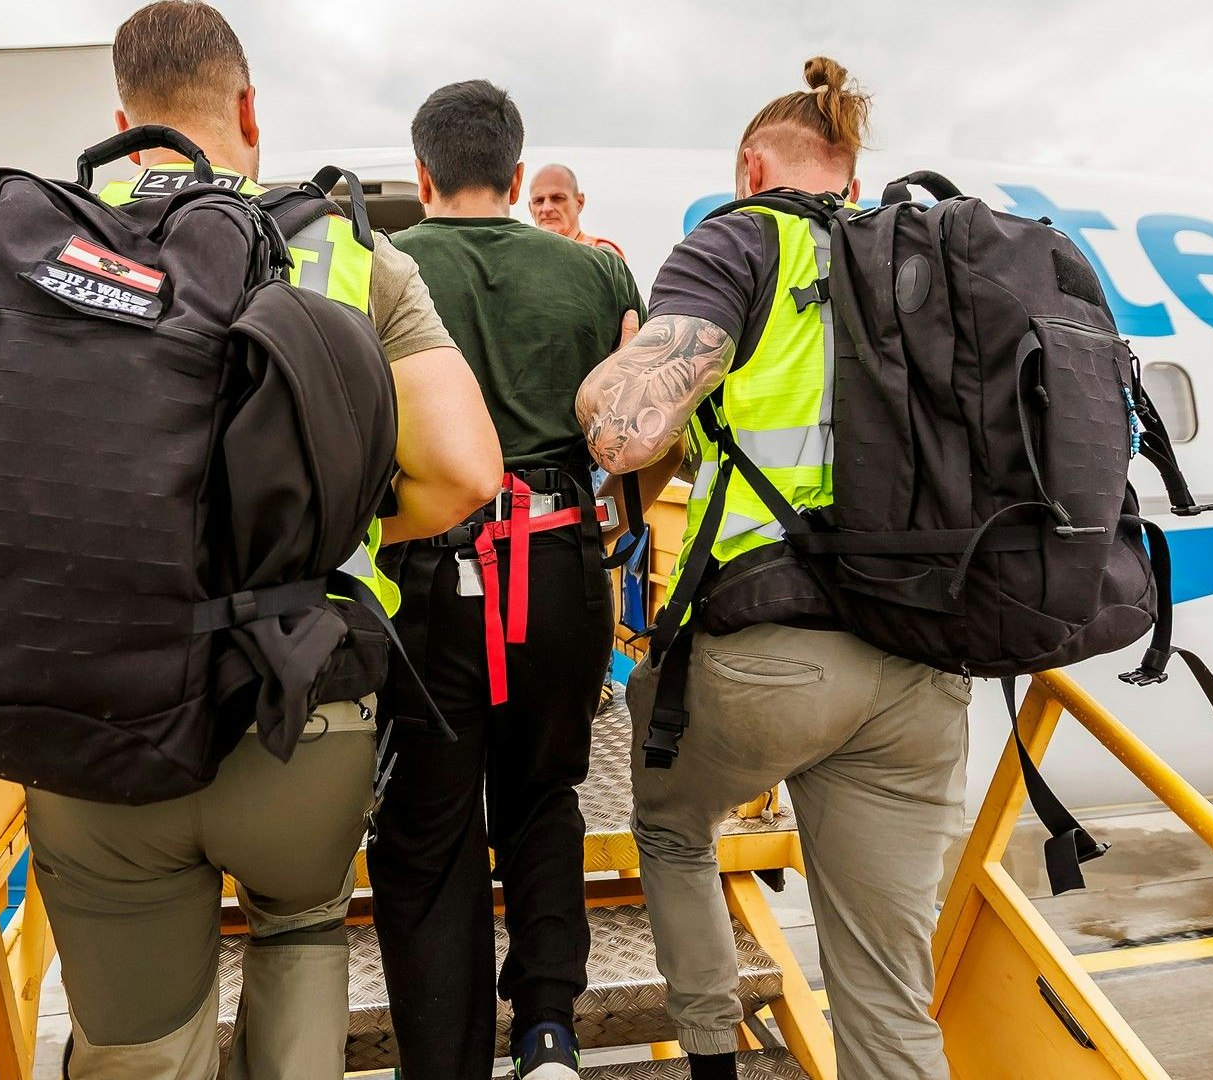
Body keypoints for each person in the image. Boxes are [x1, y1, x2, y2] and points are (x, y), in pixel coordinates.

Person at [22, 5, 502, 1079]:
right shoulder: (343, 250)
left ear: (121, 121)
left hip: (90, 717)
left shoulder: (35, 236)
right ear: (246, 108)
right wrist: (329, 517)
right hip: (297, 710)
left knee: (137, 1043)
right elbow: (469, 470)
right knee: (298, 929)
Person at [576, 58, 968, 1080]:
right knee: (889, 995)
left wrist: (615, 369)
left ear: (755, 164)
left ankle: (711, 1055)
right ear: (851, 165)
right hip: (929, 669)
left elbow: (626, 435)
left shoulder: (746, 235)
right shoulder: (932, 256)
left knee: (667, 825)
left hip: (773, 655)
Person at [368, 80, 643, 1080]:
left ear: (423, 172)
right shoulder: (594, 275)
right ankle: (547, 1035)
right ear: (519, 175)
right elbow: (639, 439)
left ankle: (444, 1064)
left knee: (427, 830)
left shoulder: (378, 267)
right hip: (563, 568)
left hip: (424, 582)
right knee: (543, 797)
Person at [529, 163, 627, 261]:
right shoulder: (525, 257)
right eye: (538, 201)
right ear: (530, 208)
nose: (546, 208)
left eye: (557, 198)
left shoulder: (601, 255)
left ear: (579, 202)